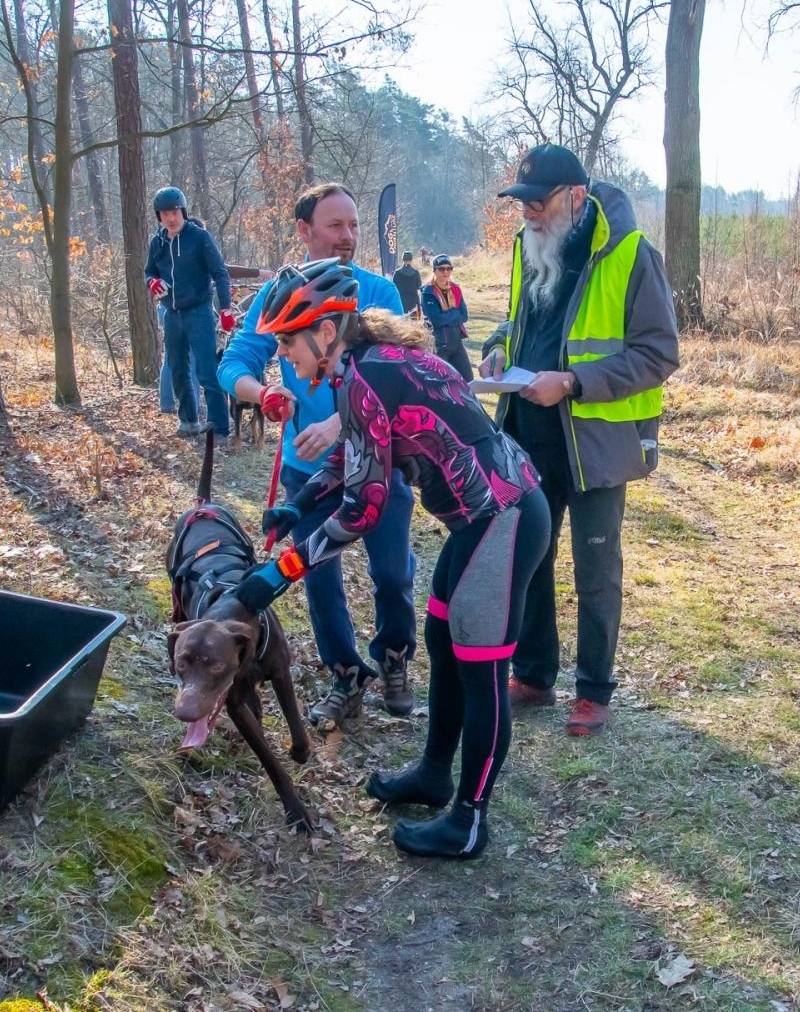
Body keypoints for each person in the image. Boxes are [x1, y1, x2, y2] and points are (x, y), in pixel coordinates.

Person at [231, 258, 549, 860]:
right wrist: (295, 506)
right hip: (483, 521)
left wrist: (276, 576)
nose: (283, 359)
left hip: (502, 520)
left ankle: (470, 820)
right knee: (439, 638)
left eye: (287, 343)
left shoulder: (367, 376)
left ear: (326, 332)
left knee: (479, 670)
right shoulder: (363, 369)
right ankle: (434, 775)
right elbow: (356, 446)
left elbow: (362, 508)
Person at [480, 143, 679, 736]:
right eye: (522, 206)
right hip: (527, 435)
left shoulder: (630, 254)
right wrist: (497, 349)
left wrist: (573, 382)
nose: (529, 216)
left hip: (594, 445)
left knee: (596, 569)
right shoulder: (526, 246)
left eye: (538, 204)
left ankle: (594, 690)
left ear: (575, 198)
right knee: (530, 561)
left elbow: (658, 353)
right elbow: (522, 320)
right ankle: (535, 676)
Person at [219, 183, 418, 724]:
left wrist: (340, 421)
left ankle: (395, 656)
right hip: (309, 473)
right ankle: (345, 675)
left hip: (380, 460)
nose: (349, 237)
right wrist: (261, 393)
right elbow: (233, 360)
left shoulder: (377, 292)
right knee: (320, 577)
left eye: (354, 225)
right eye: (336, 226)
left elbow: (390, 379)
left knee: (394, 573)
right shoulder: (280, 291)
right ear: (304, 231)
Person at [144, 186, 235, 438]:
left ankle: (219, 428)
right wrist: (152, 282)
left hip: (199, 312)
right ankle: (188, 421)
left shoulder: (199, 238)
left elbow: (220, 272)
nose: (170, 218)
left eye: (174, 212)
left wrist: (225, 308)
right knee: (178, 369)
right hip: (171, 314)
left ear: (182, 211)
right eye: (164, 213)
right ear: (158, 216)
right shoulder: (158, 242)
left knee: (207, 370)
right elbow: (149, 271)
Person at [420, 253, 472, 381]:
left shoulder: (455, 289)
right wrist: (454, 312)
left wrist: (448, 316)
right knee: (438, 382)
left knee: (468, 380)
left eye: (449, 269)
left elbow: (464, 316)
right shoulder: (428, 291)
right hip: (439, 344)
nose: (445, 272)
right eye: (441, 269)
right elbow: (436, 320)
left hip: (456, 343)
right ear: (434, 271)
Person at [392, 250, 422, 315]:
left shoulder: (397, 273)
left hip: (401, 301)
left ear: (403, 259)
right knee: (414, 322)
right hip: (413, 302)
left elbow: (393, 287)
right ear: (411, 260)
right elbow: (419, 287)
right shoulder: (416, 273)